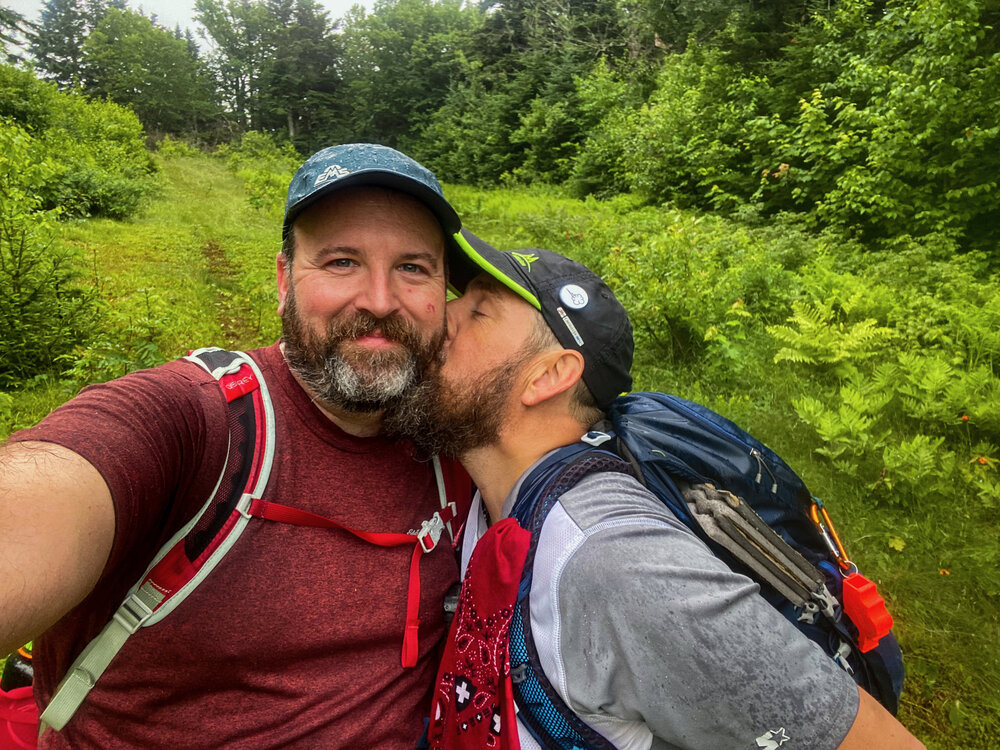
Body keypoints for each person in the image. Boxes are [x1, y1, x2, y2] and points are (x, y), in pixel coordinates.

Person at [0, 143, 472, 748]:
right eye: (341, 262)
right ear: (283, 281)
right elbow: (53, 489)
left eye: (412, 268)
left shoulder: (456, 439)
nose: (380, 301)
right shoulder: (197, 423)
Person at [396, 236, 925, 749]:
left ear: (549, 375)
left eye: (479, 310)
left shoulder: (620, 566)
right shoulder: (492, 499)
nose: (443, 314)